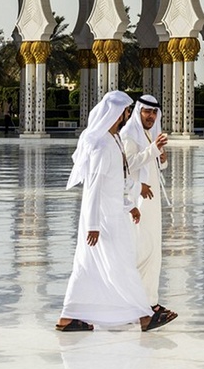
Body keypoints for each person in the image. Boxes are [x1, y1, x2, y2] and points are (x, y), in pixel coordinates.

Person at [56, 89, 176, 333]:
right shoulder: (101, 146)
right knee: (120, 266)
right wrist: (92, 224)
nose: (126, 115)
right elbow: (95, 187)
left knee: (87, 268)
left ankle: (68, 317)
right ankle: (144, 316)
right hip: (102, 220)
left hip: (112, 213)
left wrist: (129, 205)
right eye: (125, 111)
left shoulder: (113, 141)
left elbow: (118, 180)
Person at [121, 94, 176, 320]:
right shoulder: (129, 134)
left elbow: (158, 165)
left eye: (154, 113)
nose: (151, 116)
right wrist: (153, 149)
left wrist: (161, 155)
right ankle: (134, 303)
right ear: (138, 112)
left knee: (154, 252)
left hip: (152, 202)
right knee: (142, 251)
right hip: (138, 201)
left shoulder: (148, 134)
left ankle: (150, 302)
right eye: (147, 112)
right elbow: (129, 164)